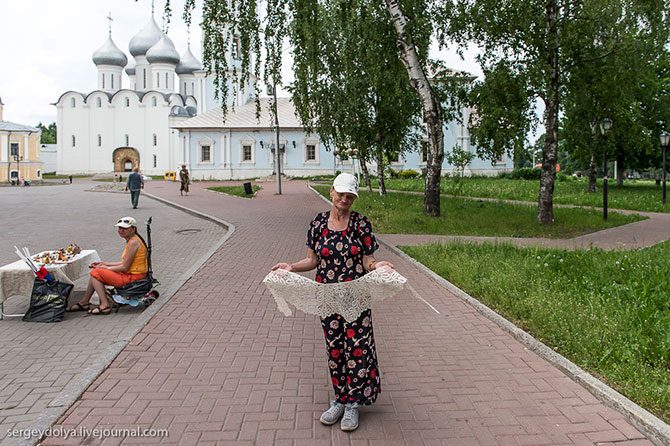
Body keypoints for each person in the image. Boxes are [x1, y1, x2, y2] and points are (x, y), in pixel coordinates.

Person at [271, 172, 394, 432]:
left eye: (350, 195)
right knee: (335, 350)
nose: (344, 199)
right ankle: (339, 399)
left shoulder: (361, 224)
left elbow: (366, 261)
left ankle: (353, 405)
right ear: (332, 192)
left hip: (355, 298)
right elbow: (312, 261)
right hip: (326, 299)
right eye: (341, 194)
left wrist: (377, 265)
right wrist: (290, 267)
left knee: (358, 350)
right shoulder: (317, 224)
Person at [67, 217, 148, 315]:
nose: (121, 231)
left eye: (124, 228)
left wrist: (106, 268)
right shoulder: (132, 240)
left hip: (133, 278)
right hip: (132, 274)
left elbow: (124, 267)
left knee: (95, 272)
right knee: (96, 271)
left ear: (133, 228)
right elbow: (124, 263)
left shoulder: (133, 242)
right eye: (119, 228)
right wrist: (104, 263)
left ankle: (104, 305)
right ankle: (85, 301)